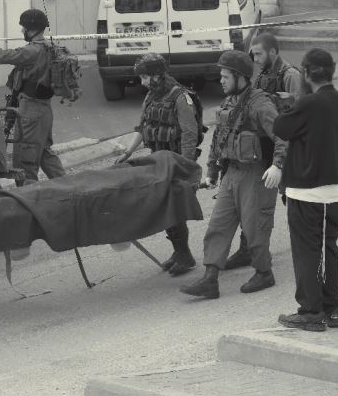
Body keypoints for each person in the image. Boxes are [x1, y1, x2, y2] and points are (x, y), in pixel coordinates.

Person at [180, 51, 286, 299]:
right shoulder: (230, 102)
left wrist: (278, 165)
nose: (221, 81)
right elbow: (219, 138)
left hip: (256, 175)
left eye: (225, 76)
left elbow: (284, 135)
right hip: (232, 173)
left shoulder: (260, 104)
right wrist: (212, 171)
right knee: (218, 225)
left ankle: (264, 272)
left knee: (256, 228)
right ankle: (210, 279)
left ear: (240, 77)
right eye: (221, 76)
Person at [273, 48, 338, 332]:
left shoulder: (308, 103)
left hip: (307, 191)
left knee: (307, 253)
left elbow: (281, 128)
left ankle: (310, 311)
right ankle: (332, 309)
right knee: (328, 249)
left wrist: (290, 103)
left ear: (306, 73)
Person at [0, 9, 65, 184]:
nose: (22, 30)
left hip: (31, 111)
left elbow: (1, 56)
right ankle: (70, 188)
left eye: (24, 28)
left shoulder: (32, 51)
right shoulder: (49, 47)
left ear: (32, 29)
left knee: (25, 162)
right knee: (45, 153)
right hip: (43, 110)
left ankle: (28, 196)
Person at [116, 53, 199, 277]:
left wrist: (186, 166)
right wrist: (127, 152)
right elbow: (143, 127)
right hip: (158, 160)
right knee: (166, 208)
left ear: (158, 75)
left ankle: (184, 255)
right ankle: (179, 252)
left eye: (145, 77)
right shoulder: (151, 96)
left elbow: (190, 134)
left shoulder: (181, 97)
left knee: (174, 209)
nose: (142, 82)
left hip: (176, 162)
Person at [224, 32, 302, 272]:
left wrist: (291, 100)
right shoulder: (262, 75)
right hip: (264, 150)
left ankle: (305, 246)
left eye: (258, 54)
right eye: (253, 54)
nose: (255, 59)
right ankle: (247, 249)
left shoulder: (290, 75)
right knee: (252, 205)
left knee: (294, 201)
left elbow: (303, 113)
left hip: (288, 150)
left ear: (273, 52)